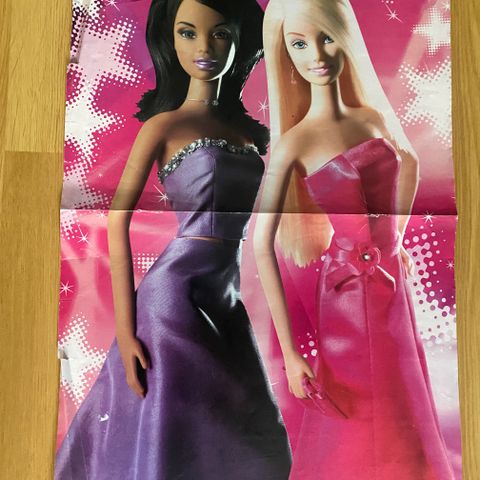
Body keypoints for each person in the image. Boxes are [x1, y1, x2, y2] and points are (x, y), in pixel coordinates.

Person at [55, 0, 292, 478]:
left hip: (225, 295)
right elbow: (117, 220)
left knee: (254, 431)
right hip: (175, 294)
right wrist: (126, 331)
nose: (204, 47)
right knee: (176, 415)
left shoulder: (246, 133)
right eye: (187, 33)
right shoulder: (163, 126)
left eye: (219, 33)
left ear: (238, 40)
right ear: (170, 40)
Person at [254, 0, 455, 478]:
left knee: (402, 387)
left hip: (389, 285)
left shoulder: (372, 119)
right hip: (343, 295)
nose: (317, 56)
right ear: (285, 53)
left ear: (345, 38)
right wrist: (292, 355)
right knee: (355, 398)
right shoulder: (295, 142)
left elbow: (409, 163)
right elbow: (262, 243)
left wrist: (395, 238)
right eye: (299, 44)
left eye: (326, 38)